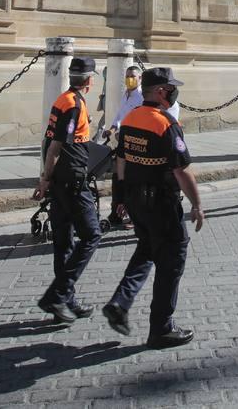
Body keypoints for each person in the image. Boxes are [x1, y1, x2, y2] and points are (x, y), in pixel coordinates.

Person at [102, 67, 204, 349]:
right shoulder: (166, 124)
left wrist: (120, 198)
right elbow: (183, 171)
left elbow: (120, 161)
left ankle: (120, 302)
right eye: (170, 88)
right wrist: (197, 204)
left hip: (135, 199)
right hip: (161, 202)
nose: (172, 93)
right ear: (161, 92)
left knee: (147, 248)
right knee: (172, 260)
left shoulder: (131, 118)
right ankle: (161, 328)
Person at [33, 56, 101, 323]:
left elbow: (49, 141)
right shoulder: (73, 106)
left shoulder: (63, 99)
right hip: (72, 181)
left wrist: (46, 179)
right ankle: (58, 295)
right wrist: (44, 178)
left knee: (64, 243)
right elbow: (57, 145)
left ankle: (65, 301)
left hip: (60, 182)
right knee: (91, 235)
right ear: (89, 80)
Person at [104, 64, 144, 228]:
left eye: (133, 76)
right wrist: (112, 128)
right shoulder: (126, 95)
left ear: (140, 78)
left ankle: (135, 216)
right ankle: (116, 212)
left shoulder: (141, 97)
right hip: (122, 140)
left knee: (132, 178)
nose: (130, 79)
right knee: (117, 176)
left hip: (134, 141)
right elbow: (120, 115)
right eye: (128, 76)